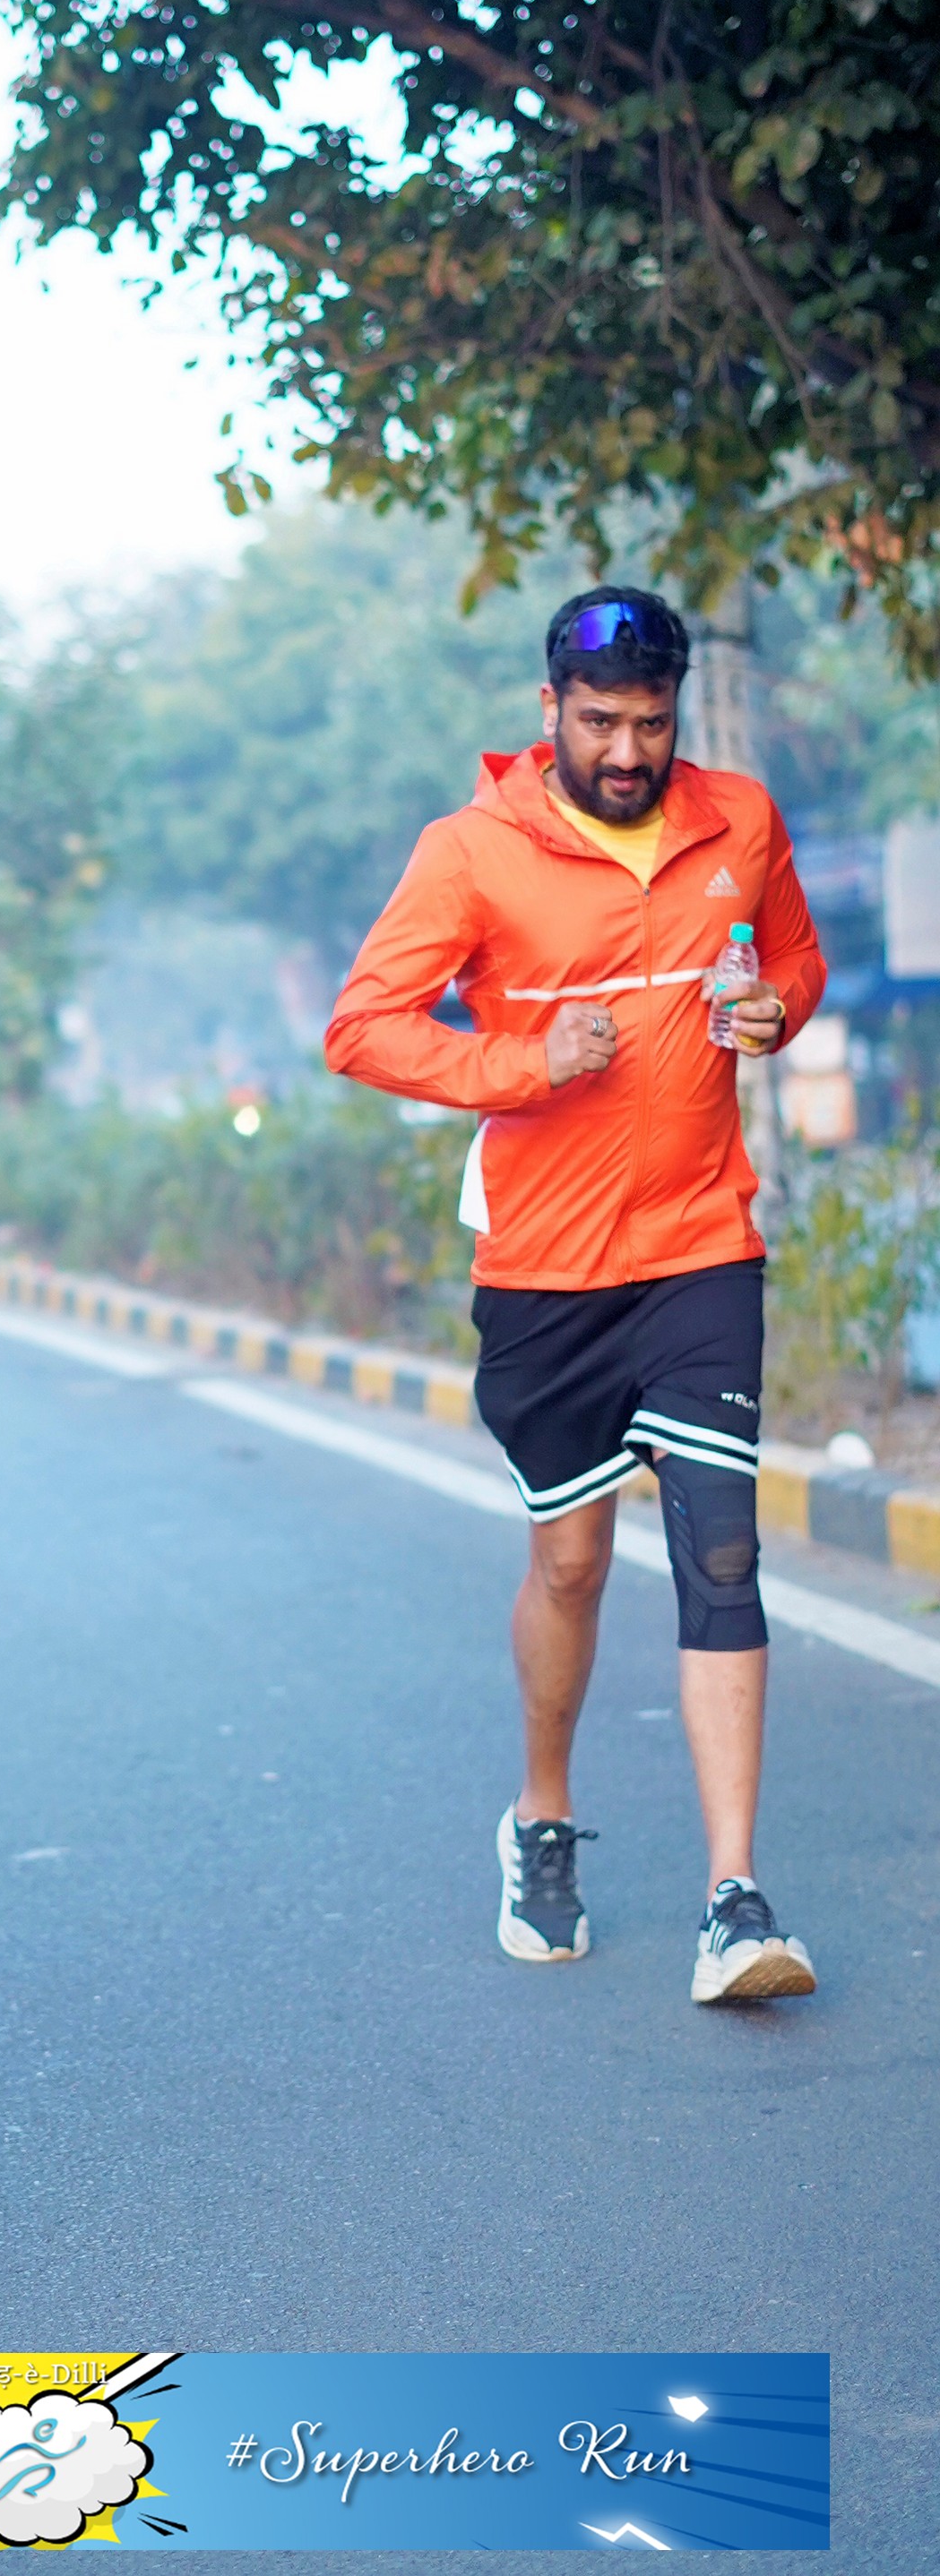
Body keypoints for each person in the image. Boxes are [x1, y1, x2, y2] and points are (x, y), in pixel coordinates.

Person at [325, 588, 826, 2005]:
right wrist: (523, 1065)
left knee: (721, 1552)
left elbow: (794, 957)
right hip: (547, 1270)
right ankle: (541, 1813)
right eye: (600, 722)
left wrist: (778, 1010)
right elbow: (362, 1028)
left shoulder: (739, 822)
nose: (626, 751)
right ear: (549, 710)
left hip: (702, 1242)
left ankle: (735, 1899)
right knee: (574, 1563)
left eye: (650, 724)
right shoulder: (472, 851)